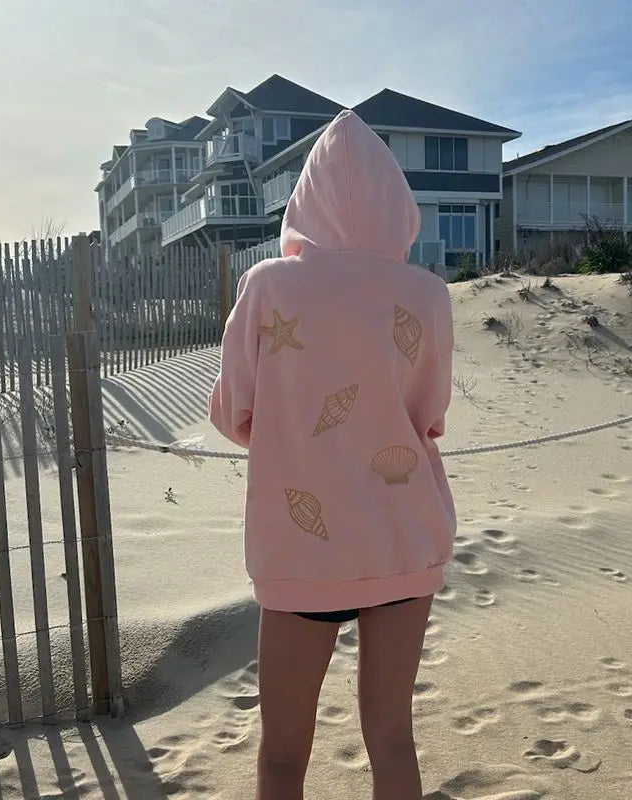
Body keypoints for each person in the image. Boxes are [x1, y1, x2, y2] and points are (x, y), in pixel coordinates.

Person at [209, 109, 455, 800]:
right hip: (404, 533)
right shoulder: (428, 295)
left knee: (283, 756)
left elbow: (235, 414)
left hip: (302, 543)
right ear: (397, 206)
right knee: (393, 736)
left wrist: (295, 436)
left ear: (304, 201)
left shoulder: (268, 286)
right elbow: (430, 419)